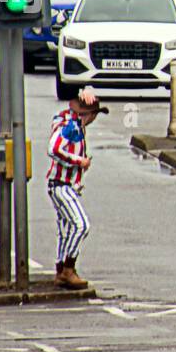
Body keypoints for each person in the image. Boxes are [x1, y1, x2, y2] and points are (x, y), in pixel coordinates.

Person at [47, 88, 108, 289]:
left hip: (63, 186)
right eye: (94, 115)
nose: (94, 119)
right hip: (61, 185)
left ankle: (60, 269)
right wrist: (79, 161)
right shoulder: (71, 126)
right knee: (81, 225)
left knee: (65, 229)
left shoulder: (70, 122)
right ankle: (68, 268)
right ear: (87, 114)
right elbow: (54, 149)